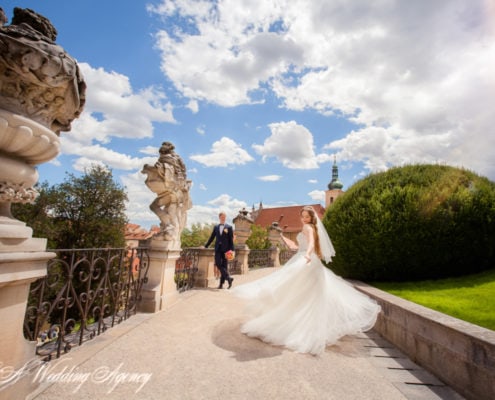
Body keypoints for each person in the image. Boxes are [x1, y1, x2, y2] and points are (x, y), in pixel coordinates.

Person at [232, 205, 381, 355]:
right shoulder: (312, 228)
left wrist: (308, 254)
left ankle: (294, 326)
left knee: (290, 288)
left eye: (307, 217)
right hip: (311, 261)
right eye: (302, 216)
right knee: (307, 295)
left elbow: (310, 244)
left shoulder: (309, 228)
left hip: (306, 258)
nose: (304, 219)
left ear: (312, 218)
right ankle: (309, 327)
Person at [205, 211, 235, 289]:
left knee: (224, 266)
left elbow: (231, 240)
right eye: (222, 217)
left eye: (224, 217)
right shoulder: (216, 227)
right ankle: (228, 278)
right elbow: (212, 237)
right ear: (219, 217)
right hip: (218, 249)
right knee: (218, 263)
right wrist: (206, 246)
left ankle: (221, 284)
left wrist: (232, 249)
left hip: (226, 250)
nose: (223, 218)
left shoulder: (229, 227)